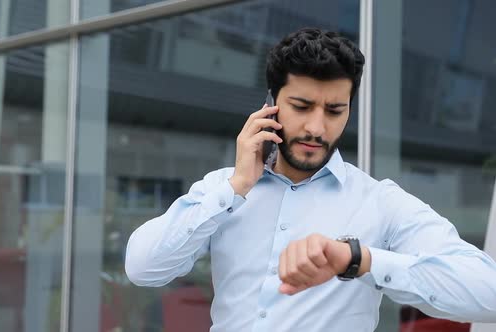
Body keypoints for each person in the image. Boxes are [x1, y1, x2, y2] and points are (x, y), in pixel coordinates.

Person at [124, 27, 496, 331]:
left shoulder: (378, 202)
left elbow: (489, 294)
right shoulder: (223, 188)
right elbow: (142, 268)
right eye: (301, 107)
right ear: (271, 103)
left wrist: (359, 260)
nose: (317, 128)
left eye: (334, 110)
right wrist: (235, 188)